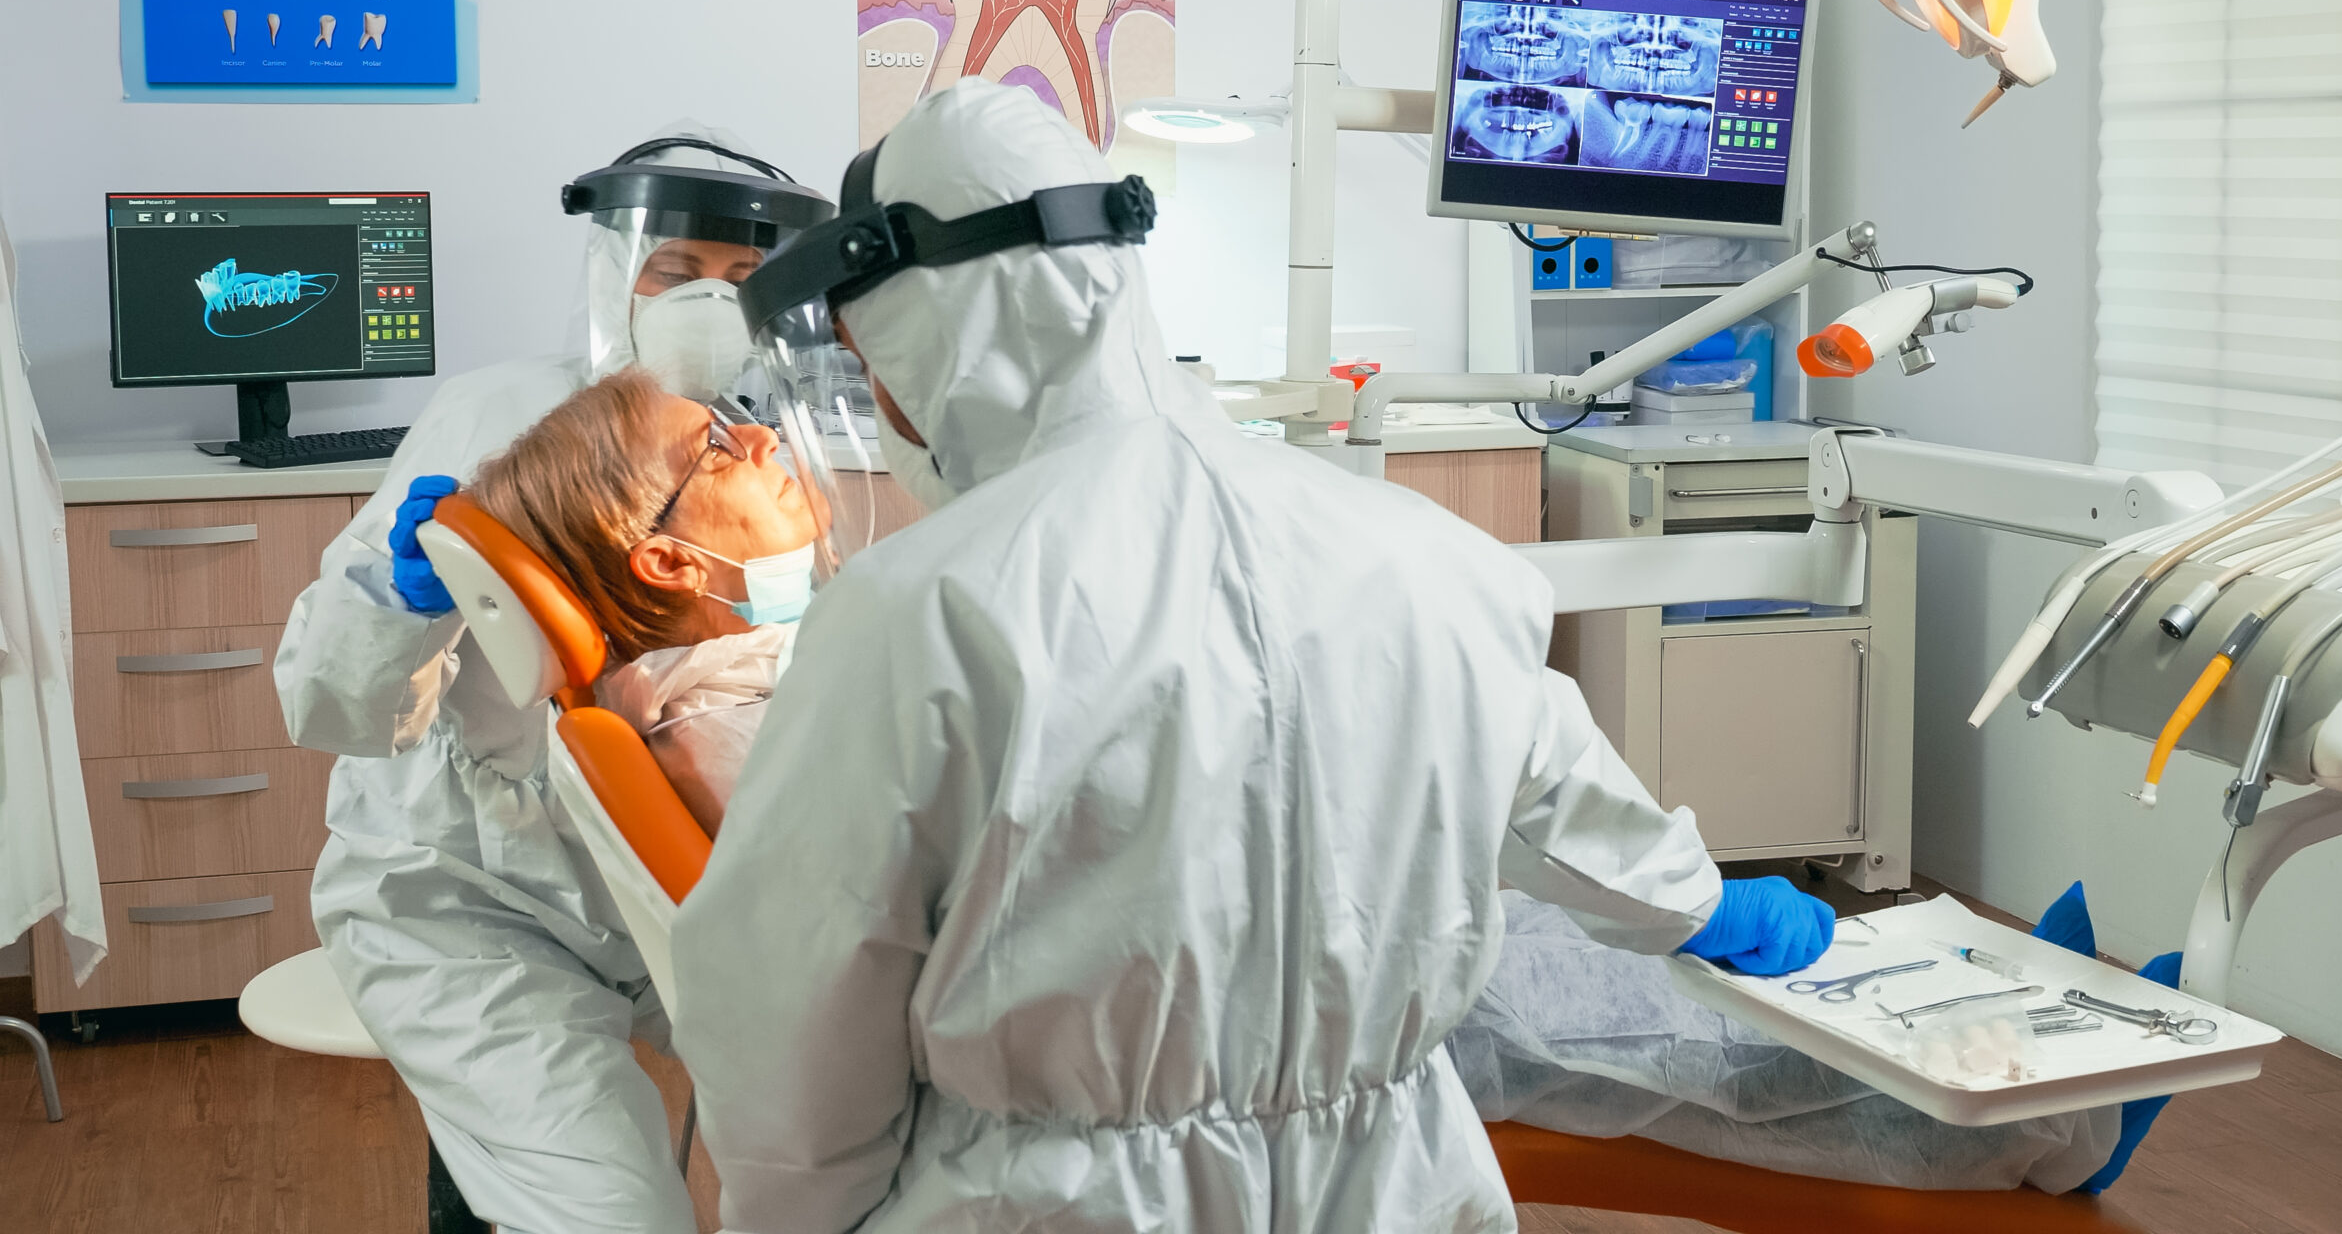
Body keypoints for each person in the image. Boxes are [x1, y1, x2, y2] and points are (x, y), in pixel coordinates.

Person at [470, 348, 2137, 1205]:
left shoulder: (748, 670)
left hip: (1199, 968)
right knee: (1631, 1015)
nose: (763, 438)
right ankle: (2029, 1123)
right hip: (1213, 1014)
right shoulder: (742, 702)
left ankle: (1958, 1010)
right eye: (714, 444)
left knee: (1597, 961)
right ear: (655, 548)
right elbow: (881, 965)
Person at [666, 78, 1835, 1233]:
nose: (874, 394)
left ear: (926, 331)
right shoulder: (1435, 561)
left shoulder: (919, 614)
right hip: (1399, 1188)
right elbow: (1562, 806)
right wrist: (1695, 904)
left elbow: (788, 1006)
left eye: (872, 358)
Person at [273, 134, 831, 1234]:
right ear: (613, 271)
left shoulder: (764, 440)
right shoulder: (498, 424)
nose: (708, 308)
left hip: (660, 884)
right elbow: (325, 703)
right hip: (471, 899)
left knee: (859, 1128)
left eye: (739, 280)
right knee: (608, 1212)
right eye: (677, 273)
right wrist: (400, 603)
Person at [466, 368, 823, 833]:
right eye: (717, 447)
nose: (763, 436)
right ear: (671, 564)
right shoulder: (739, 750)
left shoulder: (776, 674)